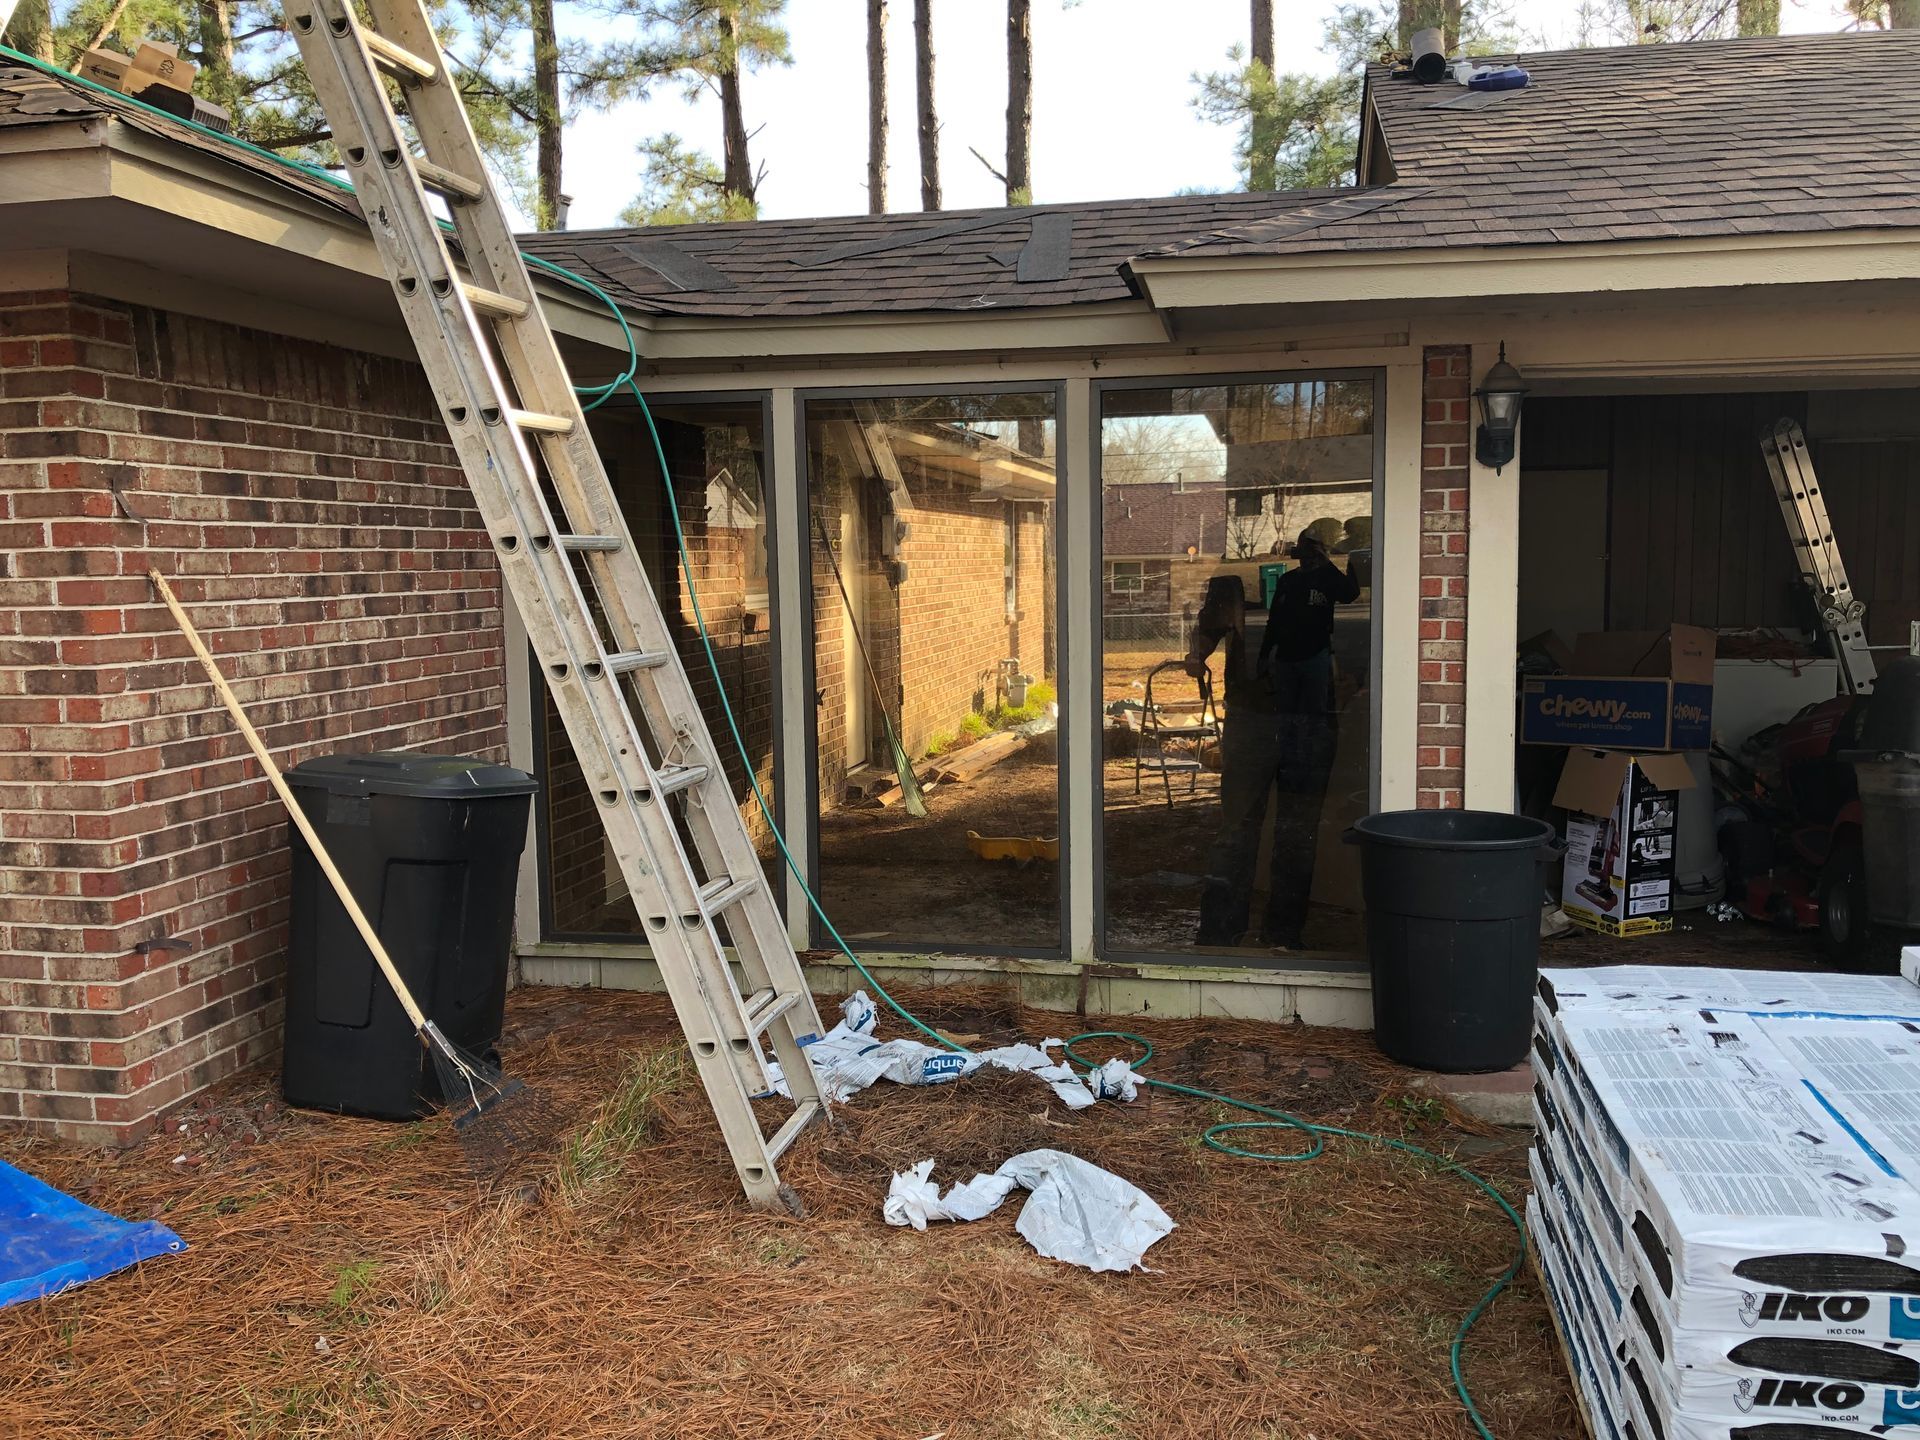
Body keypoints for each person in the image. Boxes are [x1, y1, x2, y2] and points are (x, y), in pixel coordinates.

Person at [1186, 529, 1359, 950]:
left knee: (1297, 830)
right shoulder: (1237, 578)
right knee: (1238, 828)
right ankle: (1220, 936)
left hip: (1309, 716)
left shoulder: (1331, 576)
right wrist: (1196, 655)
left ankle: (1282, 935)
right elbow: (1208, 627)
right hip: (1254, 717)